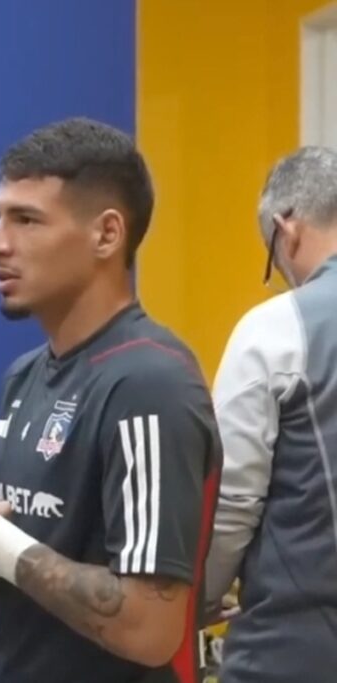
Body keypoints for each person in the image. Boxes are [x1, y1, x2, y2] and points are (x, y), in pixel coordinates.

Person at [0, 118, 223, 683]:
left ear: (107, 235)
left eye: (26, 219)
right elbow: (34, 574)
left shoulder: (148, 383)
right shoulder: (24, 376)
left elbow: (149, 628)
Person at [204, 146, 337, 683]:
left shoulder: (276, 329)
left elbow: (232, 500)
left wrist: (195, 602)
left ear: (286, 228)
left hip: (296, 651)